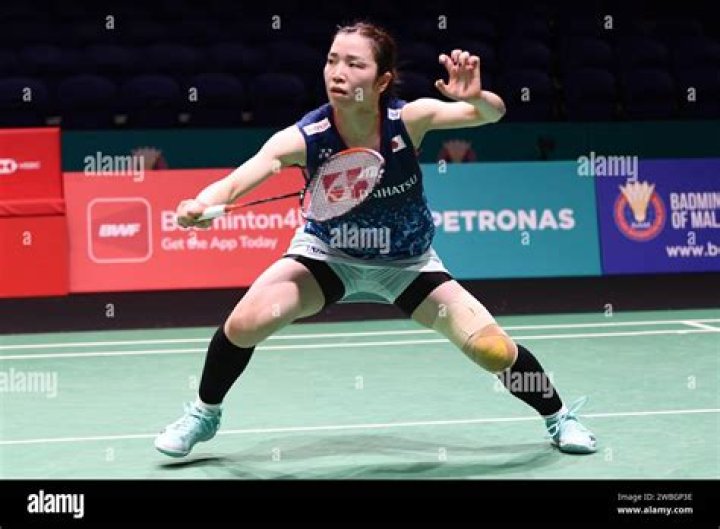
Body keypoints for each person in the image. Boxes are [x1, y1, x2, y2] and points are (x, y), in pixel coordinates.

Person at [155, 21, 597, 458]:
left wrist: (475, 98)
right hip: (327, 255)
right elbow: (236, 182)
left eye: (354, 64)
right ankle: (204, 414)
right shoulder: (306, 137)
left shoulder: (409, 120)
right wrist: (201, 204)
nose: (338, 73)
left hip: (408, 264)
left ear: (382, 80)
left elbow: (491, 114)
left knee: (492, 349)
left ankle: (559, 417)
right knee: (245, 324)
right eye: (332, 61)